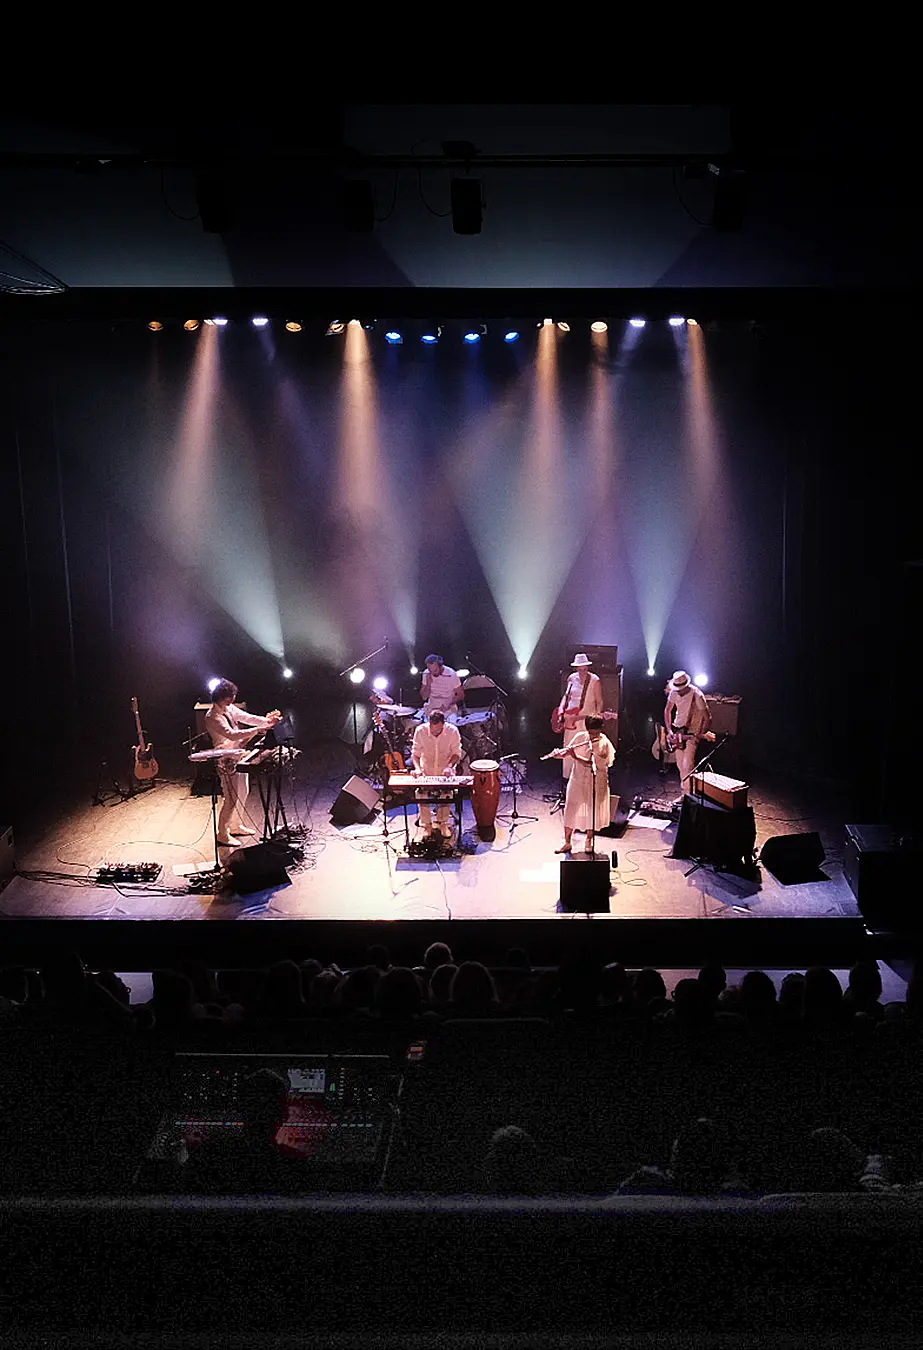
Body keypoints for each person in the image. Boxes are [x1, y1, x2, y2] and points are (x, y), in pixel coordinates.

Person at [204, 679, 283, 847]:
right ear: (222, 696)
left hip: (238, 754)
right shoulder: (212, 716)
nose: (233, 699)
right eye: (231, 697)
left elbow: (247, 717)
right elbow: (231, 734)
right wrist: (258, 730)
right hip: (225, 759)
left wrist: (267, 722)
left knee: (243, 792)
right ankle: (222, 833)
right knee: (231, 798)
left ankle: (236, 825)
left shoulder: (229, 708)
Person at [548, 715, 614, 856]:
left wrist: (575, 756)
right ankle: (567, 842)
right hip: (577, 779)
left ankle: (589, 840)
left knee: (591, 810)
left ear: (601, 729)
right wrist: (557, 754)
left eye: (596, 733)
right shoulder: (580, 737)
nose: (593, 736)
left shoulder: (604, 743)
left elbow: (594, 764)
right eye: (591, 732)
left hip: (595, 781)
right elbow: (567, 752)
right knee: (570, 808)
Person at [410, 709, 463, 838]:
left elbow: (456, 753)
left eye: (438, 730)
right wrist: (417, 769)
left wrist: (449, 767)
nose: (435, 733)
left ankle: (442, 823)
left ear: (443, 724)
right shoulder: (420, 731)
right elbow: (415, 754)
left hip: (445, 772)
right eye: (433, 730)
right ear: (429, 723)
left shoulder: (452, 731)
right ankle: (427, 825)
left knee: (446, 794)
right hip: (426, 771)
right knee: (421, 794)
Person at [662, 670, 711, 805]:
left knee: (687, 764)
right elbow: (667, 711)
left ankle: (689, 795)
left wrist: (701, 734)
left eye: (681, 689)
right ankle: (686, 793)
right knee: (680, 765)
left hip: (691, 732)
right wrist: (669, 730)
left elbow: (708, 717)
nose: (678, 691)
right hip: (678, 731)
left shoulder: (697, 695)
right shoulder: (674, 692)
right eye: (676, 688)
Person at [554, 653, 605, 779]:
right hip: (571, 720)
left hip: (586, 719)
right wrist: (561, 709)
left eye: (585, 669)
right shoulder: (571, 678)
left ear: (588, 668)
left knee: (584, 749)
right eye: (580, 669)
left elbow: (599, 701)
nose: (582, 672)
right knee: (569, 747)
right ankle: (569, 778)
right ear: (576, 668)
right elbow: (566, 696)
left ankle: (583, 778)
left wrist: (596, 719)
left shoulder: (594, 680)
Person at [420, 653, 464, 719]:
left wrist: (447, 704)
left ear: (441, 666)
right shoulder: (426, 674)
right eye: (430, 670)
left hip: (448, 707)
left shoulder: (451, 674)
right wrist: (428, 684)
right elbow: (424, 697)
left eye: (435, 670)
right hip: (432, 707)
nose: (432, 673)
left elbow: (461, 695)